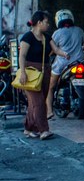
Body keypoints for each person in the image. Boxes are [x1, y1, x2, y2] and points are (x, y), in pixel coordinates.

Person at [17, 11, 64, 140]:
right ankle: (44, 130)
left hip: (45, 71)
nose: (48, 25)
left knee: (37, 102)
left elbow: (56, 50)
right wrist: (22, 72)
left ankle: (28, 128)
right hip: (30, 72)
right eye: (46, 22)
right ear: (39, 23)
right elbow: (22, 56)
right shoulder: (27, 37)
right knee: (38, 102)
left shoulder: (47, 37)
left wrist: (65, 54)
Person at [47, 9, 84, 119]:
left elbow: (52, 49)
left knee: (50, 87)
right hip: (79, 62)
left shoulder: (57, 33)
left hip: (62, 64)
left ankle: (49, 111)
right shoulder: (79, 30)